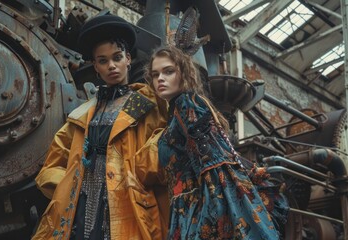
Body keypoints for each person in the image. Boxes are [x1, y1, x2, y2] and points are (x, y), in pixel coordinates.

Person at [32, 14, 169, 240]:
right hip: (81, 208)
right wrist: (70, 186)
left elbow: (161, 155)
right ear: (95, 66)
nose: (111, 66)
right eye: (103, 61)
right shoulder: (83, 113)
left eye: (117, 57)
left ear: (128, 59)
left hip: (128, 206)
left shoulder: (147, 104)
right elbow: (52, 165)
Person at [144, 45, 289, 239]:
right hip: (184, 209)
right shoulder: (176, 113)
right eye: (155, 74)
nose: (160, 78)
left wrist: (213, 220)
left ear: (184, 73)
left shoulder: (188, 104)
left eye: (168, 71)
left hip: (197, 211)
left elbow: (214, 167)